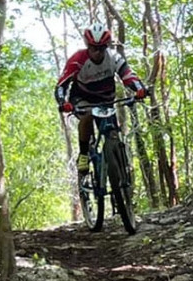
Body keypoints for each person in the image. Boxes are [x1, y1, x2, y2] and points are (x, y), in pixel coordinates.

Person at [56, 25, 150, 175]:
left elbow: (127, 75)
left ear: (106, 46)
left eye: (101, 48)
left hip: (106, 99)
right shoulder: (77, 60)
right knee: (86, 117)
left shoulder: (113, 57)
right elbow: (62, 85)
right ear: (88, 46)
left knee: (112, 132)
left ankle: (120, 168)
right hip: (82, 98)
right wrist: (62, 102)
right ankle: (84, 155)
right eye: (94, 48)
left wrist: (139, 89)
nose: (97, 52)